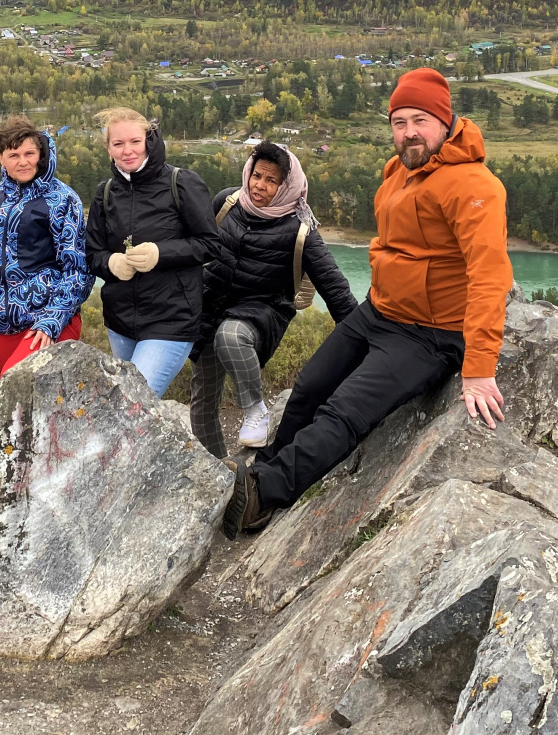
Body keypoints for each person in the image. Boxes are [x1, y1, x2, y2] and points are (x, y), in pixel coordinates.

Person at [223, 67, 512, 535]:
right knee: (309, 388)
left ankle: (265, 490)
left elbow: (489, 276)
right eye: (400, 121)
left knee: (345, 412)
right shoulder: (399, 170)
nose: (409, 132)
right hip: (379, 310)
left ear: (445, 120)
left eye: (420, 119)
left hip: (429, 334)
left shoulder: (475, 187)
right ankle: (258, 477)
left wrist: (479, 368)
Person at [192, 141, 359, 458]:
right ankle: (216, 473)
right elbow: (195, 247)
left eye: (271, 181)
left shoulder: (300, 230)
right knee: (203, 399)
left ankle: (255, 410)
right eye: (257, 176)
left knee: (230, 336)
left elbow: (336, 291)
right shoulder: (227, 203)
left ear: (287, 185)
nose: (259, 186)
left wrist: (367, 344)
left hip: (259, 314)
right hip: (210, 308)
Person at [84, 107, 221, 397]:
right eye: (118, 144)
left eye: (135, 141)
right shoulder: (105, 193)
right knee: (127, 410)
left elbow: (211, 243)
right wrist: (111, 262)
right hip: (120, 320)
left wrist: (161, 253)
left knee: (130, 402)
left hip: (171, 319)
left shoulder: (182, 183)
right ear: (108, 148)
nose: (127, 151)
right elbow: (91, 254)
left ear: (149, 139)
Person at [0, 116, 94, 375]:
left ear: (40, 154)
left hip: (49, 322)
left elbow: (79, 270)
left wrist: (52, 319)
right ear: (1, 158)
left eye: (29, 153)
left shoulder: (63, 200)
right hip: (1, 325)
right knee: (18, 411)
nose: (23, 161)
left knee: (16, 388)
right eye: (13, 154)